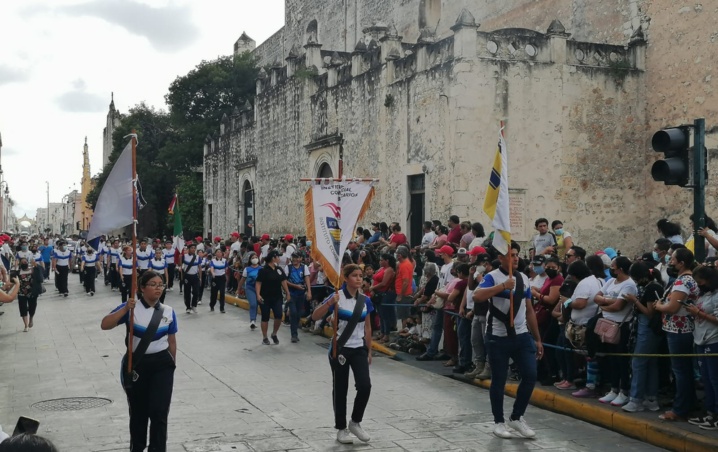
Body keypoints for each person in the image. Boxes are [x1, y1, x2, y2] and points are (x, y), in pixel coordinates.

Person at [101, 270, 177, 452]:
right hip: (136, 365)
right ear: (142, 288)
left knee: (159, 412)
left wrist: (172, 364)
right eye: (153, 284)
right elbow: (105, 324)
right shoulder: (131, 308)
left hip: (162, 365)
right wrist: (126, 309)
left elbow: (172, 341)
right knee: (139, 412)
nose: (158, 288)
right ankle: (138, 447)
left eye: (161, 284)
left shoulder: (168, 312)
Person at [473, 241, 543, 439]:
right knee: (499, 379)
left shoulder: (523, 279)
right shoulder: (491, 277)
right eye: (511, 255)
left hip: (521, 336)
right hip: (497, 336)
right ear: (501, 258)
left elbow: (529, 310)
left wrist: (537, 339)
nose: (515, 258)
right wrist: (503, 286)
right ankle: (498, 421)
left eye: (516, 254)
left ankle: (517, 417)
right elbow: (477, 296)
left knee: (530, 375)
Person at [311, 264, 373, 444]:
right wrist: (330, 303)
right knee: (341, 388)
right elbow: (315, 316)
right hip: (341, 348)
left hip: (359, 348)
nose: (359, 279)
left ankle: (355, 422)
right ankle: (341, 428)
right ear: (346, 278)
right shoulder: (337, 297)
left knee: (365, 386)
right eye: (355, 275)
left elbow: (368, 327)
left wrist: (369, 350)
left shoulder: (365, 300)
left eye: (361, 275)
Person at [653, 248, 698, 421]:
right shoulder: (685, 279)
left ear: (682, 263)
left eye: (672, 259)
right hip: (680, 329)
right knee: (683, 370)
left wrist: (659, 307)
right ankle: (689, 402)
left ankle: (680, 409)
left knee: (681, 371)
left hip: (679, 330)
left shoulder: (683, 282)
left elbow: (672, 307)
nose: (670, 262)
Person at [593, 256, 637, 407]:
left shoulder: (629, 285)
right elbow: (596, 297)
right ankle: (613, 388)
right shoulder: (611, 281)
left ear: (621, 269)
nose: (611, 269)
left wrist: (604, 303)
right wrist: (608, 301)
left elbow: (619, 306)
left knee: (621, 359)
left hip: (620, 325)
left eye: (613, 266)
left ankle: (624, 391)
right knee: (611, 358)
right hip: (607, 323)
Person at [621, 261, 664, 412]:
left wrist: (635, 301)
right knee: (650, 363)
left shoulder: (652, 287)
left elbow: (649, 312)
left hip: (648, 329)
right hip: (644, 328)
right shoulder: (648, 286)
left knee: (638, 362)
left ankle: (636, 399)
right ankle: (651, 398)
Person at [685, 265, 718, 430]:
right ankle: (710, 412)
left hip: (713, 341)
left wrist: (699, 313)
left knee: (715, 379)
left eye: (701, 281)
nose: (699, 284)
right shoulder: (703, 294)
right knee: (706, 379)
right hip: (700, 340)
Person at [255, 250, 290, 345]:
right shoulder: (263, 270)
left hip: (277, 297)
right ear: (273, 258)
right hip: (265, 297)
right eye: (278, 257)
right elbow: (258, 283)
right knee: (265, 317)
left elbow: (283, 281)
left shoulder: (279, 270)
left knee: (279, 316)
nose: (279, 259)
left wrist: (287, 293)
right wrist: (258, 294)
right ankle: (265, 337)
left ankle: (274, 333)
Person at [285, 252, 311, 342]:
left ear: (300, 258)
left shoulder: (304, 267)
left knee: (299, 313)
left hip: (301, 294)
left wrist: (309, 292)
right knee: (294, 313)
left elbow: (307, 279)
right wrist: (295, 286)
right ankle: (294, 334)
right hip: (291, 294)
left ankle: (295, 328)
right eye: (293, 257)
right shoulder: (288, 267)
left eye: (297, 258)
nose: (295, 260)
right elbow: (285, 281)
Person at [238, 252, 261, 330]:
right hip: (250, 288)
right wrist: (239, 288)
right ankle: (252, 321)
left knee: (257, 305)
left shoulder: (262, 269)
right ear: (250, 260)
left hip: (260, 290)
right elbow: (242, 279)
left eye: (256, 257)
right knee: (253, 304)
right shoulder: (247, 269)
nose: (255, 259)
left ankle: (254, 319)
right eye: (253, 258)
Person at [15, 257, 37, 332]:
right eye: (22, 262)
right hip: (21, 293)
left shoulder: (32, 270)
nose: (24, 263)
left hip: (32, 292)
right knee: (23, 308)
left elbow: (39, 276)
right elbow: (13, 281)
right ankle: (26, 325)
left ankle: (31, 318)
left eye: (25, 262)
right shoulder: (18, 272)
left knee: (32, 307)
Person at [181, 243, 202, 314]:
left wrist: (200, 277)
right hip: (187, 276)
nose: (193, 249)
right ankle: (188, 307)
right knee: (187, 292)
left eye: (194, 248)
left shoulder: (198, 257)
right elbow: (179, 264)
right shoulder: (184, 256)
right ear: (189, 249)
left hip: (195, 276)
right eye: (192, 248)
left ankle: (194, 305)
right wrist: (179, 258)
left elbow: (199, 267)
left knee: (196, 292)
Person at [209, 248, 228, 313]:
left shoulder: (225, 260)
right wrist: (213, 273)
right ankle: (212, 305)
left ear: (222, 253)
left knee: (222, 293)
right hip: (215, 278)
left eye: (220, 252)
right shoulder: (213, 261)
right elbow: (211, 268)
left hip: (222, 278)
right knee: (214, 293)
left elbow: (226, 269)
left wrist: (225, 276)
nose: (219, 253)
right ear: (215, 253)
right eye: (217, 252)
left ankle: (222, 308)